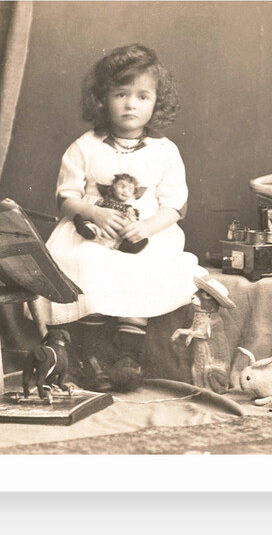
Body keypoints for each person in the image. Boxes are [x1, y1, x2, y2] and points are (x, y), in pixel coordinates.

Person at [31, 44, 205, 391]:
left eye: (142, 96)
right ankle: (88, 356)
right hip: (90, 231)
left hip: (145, 235)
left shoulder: (164, 151)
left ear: (157, 102)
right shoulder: (86, 145)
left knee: (140, 268)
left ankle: (129, 357)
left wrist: (146, 226)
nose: (130, 104)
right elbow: (67, 197)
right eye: (120, 94)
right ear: (102, 99)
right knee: (83, 261)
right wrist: (91, 210)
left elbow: (174, 205)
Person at [73, 172, 148, 253]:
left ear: (133, 193)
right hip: (101, 223)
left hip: (118, 229)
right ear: (114, 186)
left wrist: (131, 216)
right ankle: (87, 232)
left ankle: (126, 247)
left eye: (130, 190)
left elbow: (133, 219)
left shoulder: (129, 208)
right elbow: (97, 210)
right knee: (92, 226)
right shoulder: (105, 201)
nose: (125, 191)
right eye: (122, 186)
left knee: (122, 236)